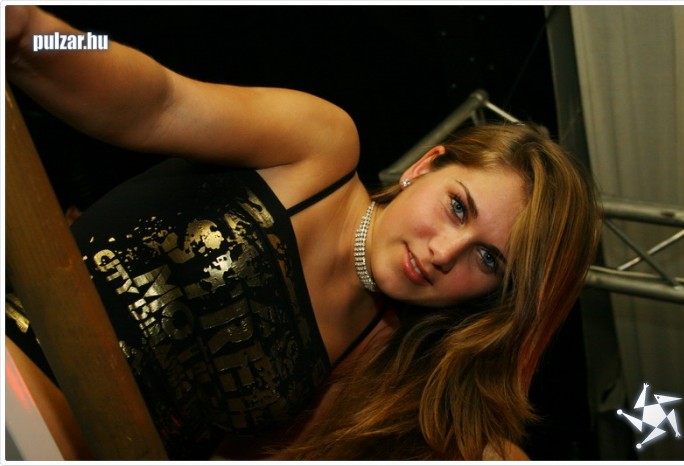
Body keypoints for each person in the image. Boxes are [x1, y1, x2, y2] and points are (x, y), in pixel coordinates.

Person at [5, 5, 602, 461]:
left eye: (489, 260)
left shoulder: (383, 363)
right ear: (425, 166)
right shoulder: (323, 150)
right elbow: (158, 99)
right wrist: (36, 30)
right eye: (457, 208)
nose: (445, 253)